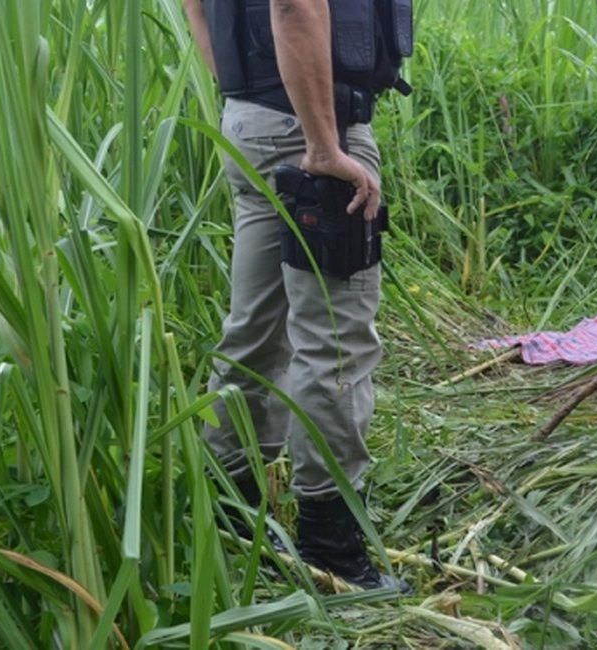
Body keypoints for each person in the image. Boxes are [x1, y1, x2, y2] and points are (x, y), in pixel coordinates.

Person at [182, 0, 408, 591]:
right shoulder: (316, 138)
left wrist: (247, 96)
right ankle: (332, 550)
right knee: (337, 346)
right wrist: (324, 145)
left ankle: (231, 514)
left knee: (255, 329)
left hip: (255, 123)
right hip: (308, 133)